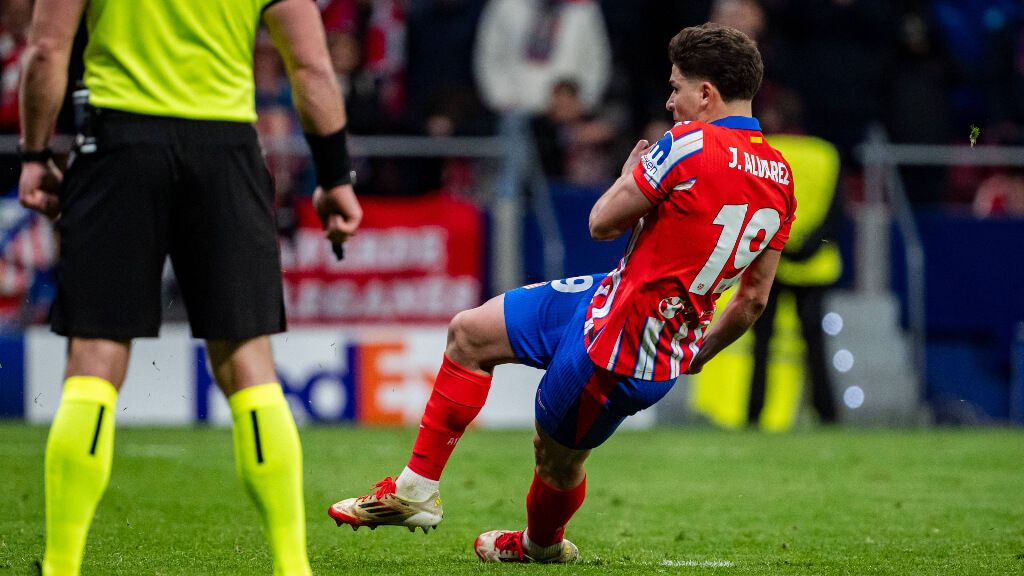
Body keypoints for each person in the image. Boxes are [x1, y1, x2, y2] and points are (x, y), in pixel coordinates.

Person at [329, 23, 796, 563]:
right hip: (624, 309)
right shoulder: (781, 176)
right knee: (470, 332)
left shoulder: (688, 143)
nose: (671, 102)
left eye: (676, 88)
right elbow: (753, 299)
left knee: (555, 460)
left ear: (706, 94)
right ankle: (414, 490)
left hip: (616, 352)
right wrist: (699, 352)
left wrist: (630, 176)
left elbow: (601, 223)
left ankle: (539, 546)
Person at [18, 0, 362, 574]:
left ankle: (61, 566)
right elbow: (312, 66)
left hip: (118, 145)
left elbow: (47, 48)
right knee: (248, 360)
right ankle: (291, 564)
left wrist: (34, 154)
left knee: (95, 356)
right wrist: (334, 178)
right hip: (225, 150)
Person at [747, 133, 842, 427]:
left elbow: (755, 202)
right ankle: (826, 414)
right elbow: (836, 211)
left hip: (772, 259)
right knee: (815, 344)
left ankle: (753, 413)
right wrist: (809, 246)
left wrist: (782, 246)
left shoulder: (763, 150)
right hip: (817, 264)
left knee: (762, 343)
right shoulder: (826, 153)